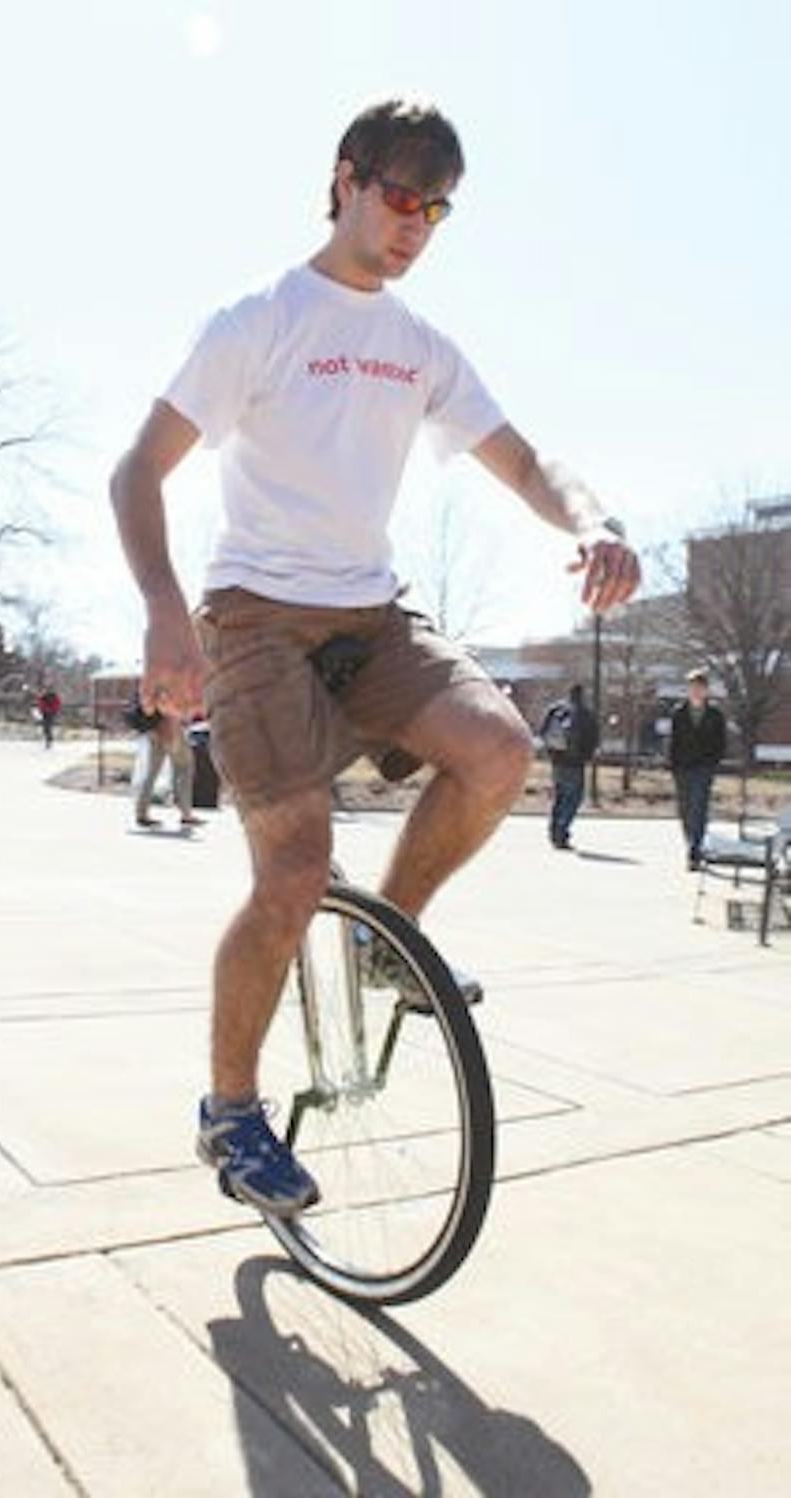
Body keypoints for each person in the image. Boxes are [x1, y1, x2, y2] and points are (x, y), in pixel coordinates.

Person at [109, 98, 640, 1215]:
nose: (415, 225)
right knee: (293, 872)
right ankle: (230, 1109)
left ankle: (389, 943)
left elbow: (526, 457)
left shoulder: (420, 349)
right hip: (253, 617)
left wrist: (590, 523)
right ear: (344, 181)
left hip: (372, 615)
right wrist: (163, 610)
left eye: (437, 210)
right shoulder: (259, 320)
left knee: (499, 751)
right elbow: (137, 471)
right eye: (400, 196)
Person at [668, 668, 726, 869]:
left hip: (704, 767)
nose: (696, 691)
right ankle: (690, 842)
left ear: (706, 690)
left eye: (700, 688)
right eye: (692, 687)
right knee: (685, 808)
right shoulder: (678, 713)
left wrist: (713, 763)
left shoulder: (715, 715)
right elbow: (673, 742)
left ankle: (695, 848)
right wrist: (672, 765)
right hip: (682, 767)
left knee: (699, 807)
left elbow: (721, 742)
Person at [539, 683, 599, 849]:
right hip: (575, 763)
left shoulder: (556, 710)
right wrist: (587, 756)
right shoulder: (585, 714)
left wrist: (552, 753)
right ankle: (561, 830)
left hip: (557, 762)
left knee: (560, 797)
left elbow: (543, 732)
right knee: (573, 799)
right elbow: (593, 738)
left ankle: (554, 829)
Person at [130, 703, 203, 829]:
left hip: (154, 729)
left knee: (152, 772)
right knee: (184, 767)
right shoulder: (171, 684)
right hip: (170, 727)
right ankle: (186, 813)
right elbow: (172, 709)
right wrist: (174, 733)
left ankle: (141, 813)